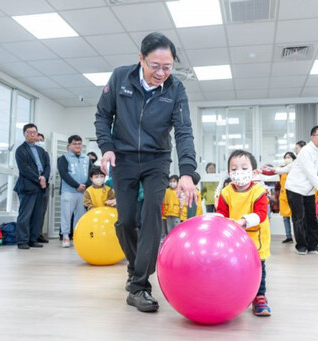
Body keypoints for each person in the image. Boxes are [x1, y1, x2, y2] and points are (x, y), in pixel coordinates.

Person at [95, 32, 197, 313]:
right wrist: (107, 146)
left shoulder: (176, 89)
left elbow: (184, 131)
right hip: (124, 158)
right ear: (140, 59)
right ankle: (135, 267)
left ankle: (139, 286)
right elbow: (103, 115)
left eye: (168, 67)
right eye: (155, 66)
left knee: (152, 214)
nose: (161, 73)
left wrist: (187, 172)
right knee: (126, 221)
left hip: (157, 160)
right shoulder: (120, 78)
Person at [217, 150, 271, 316]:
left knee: (258, 267)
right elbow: (221, 213)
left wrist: (243, 221)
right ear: (228, 173)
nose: (238, 172)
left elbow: (261, 214)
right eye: (234, 169)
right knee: (232, 267)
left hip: (256, 238)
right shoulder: (226, 193)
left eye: (244, 167)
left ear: (254, 172)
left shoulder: (259, 192)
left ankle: (260, 297)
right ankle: (233, 294)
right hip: (234, 240)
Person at [285, 125, 318, 255]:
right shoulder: (306, 151)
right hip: (295, 188)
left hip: (309, 190)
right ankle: (302, 246)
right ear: (312, 137)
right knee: (299, 218)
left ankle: (313, 245)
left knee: (312, 217)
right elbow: (311, 175)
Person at [13, 123, 50, 250]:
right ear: (24, 134)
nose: (32, 134)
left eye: (34, 132)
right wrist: (38, 178)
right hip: (27, 186)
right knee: (25, 214)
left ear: (37, 133)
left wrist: (44, 177)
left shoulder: (41, 151)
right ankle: (22, 240)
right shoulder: (20, 150)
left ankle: (32, 239)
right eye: (29, 132)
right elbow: (24, 169)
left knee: (38, 215)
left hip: (41, 186)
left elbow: (47, 166)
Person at [58, 135, 91, 248]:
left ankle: (77, 236)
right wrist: (76, 185)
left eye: (79, 144)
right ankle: (66, 236)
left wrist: (86, 185)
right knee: (66, 215)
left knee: (80, 215)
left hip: (83, 192)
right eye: (74, 144)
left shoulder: (86, 158)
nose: (77, 146)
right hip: (69, 191)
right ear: (69, 145)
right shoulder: (64, 158)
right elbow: (63, 174)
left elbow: (91, 173)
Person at [35, 133, 50, 243]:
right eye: (38, 140)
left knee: (42, 211)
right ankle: (31, 235)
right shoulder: (31, 153)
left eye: (42, 140)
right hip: (34, 184)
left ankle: (38, 233)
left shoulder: (46, 154)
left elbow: (49, 168)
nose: (40, 142)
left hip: (46, 185)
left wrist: (46, 178)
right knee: (32, 211)